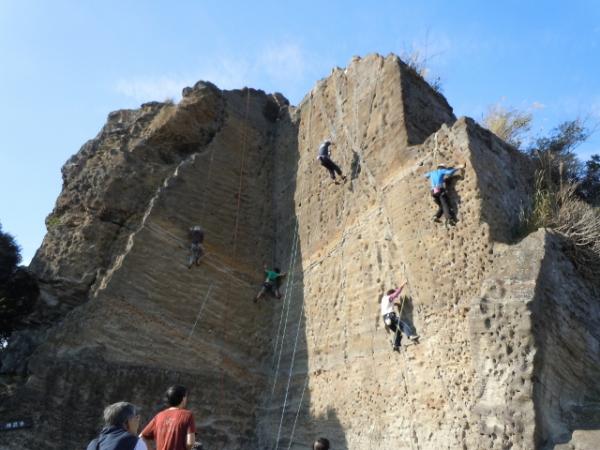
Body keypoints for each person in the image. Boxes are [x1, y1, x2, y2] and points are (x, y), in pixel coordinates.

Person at [140, 385, 196, 450]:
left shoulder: (159, 416)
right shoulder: (187, 415)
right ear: (183, 399)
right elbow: (190, 442)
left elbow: (142, 437)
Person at [381, 282, 419, 352]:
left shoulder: (384, 299)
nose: (395, 297)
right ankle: (411, 335)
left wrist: (396, 304)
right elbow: (396, 293)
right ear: (391, 294)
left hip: (385, 319)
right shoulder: (390, 297)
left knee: (397, 332)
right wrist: (402, 285)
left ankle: (395, 345)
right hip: (391, 316)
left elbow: (389, 304)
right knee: (402, 325)